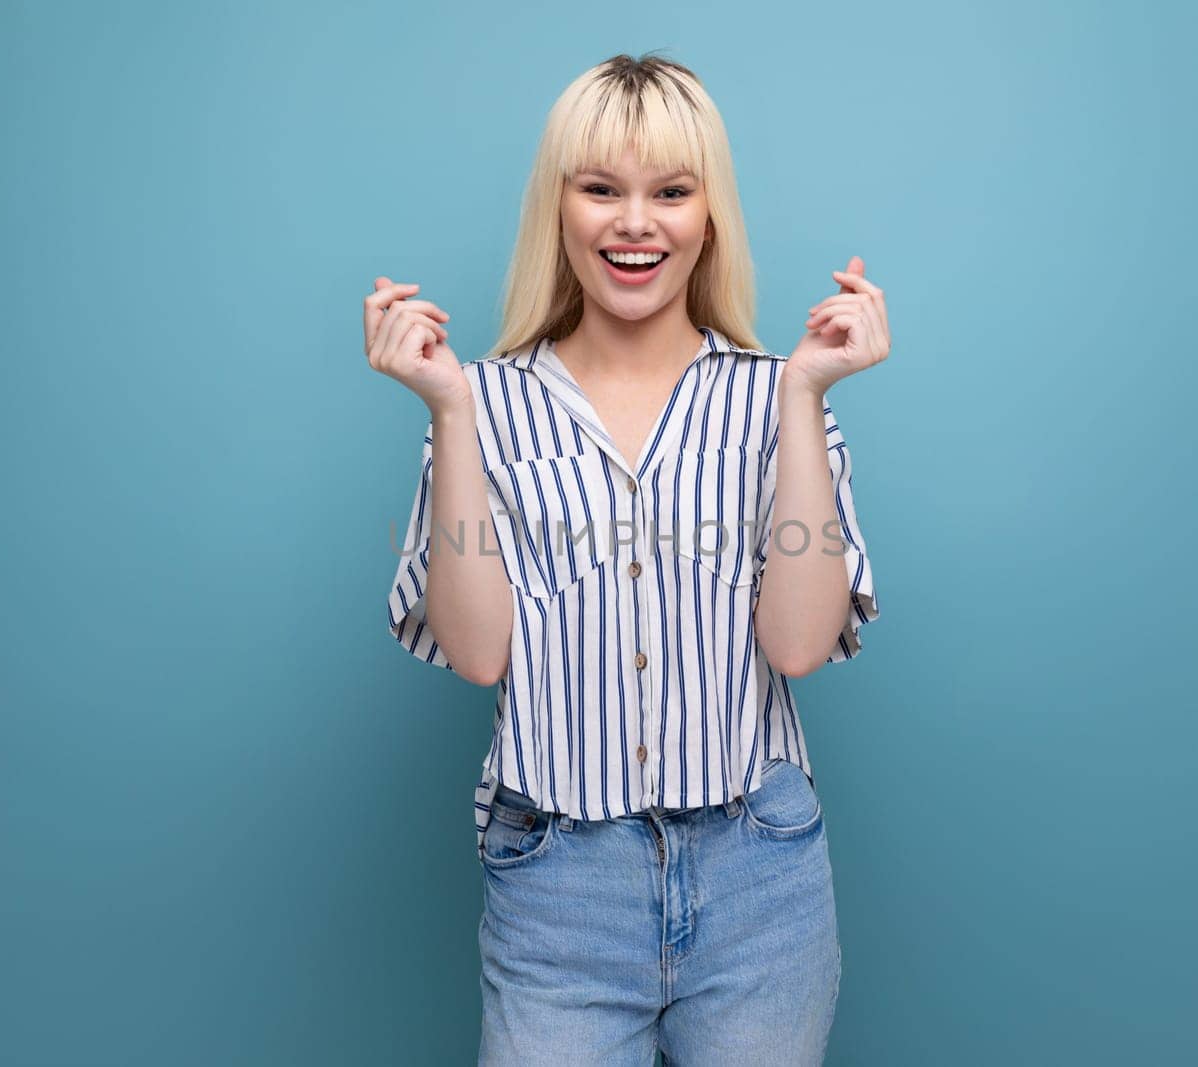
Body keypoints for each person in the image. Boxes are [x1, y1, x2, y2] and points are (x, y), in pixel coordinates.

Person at [368, 51, 890, 1066]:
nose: (635, 221)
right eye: (601, 188)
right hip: (557, 884)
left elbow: (796, 643)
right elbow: (478, 654)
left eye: (670, 191)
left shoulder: (780, 399)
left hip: (760, 877)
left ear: (708, 214)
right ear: (557, 207)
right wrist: (447, 412)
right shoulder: (479, 406)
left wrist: (802, 396)